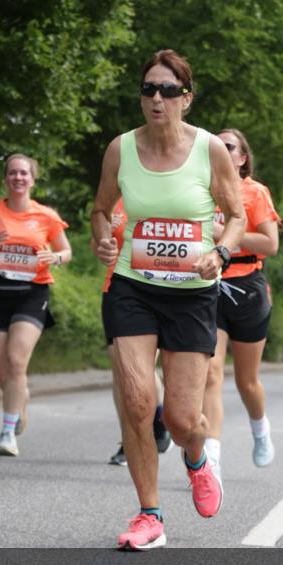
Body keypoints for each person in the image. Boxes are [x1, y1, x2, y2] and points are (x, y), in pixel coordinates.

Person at [91, 49, 246, 550]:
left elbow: (236, 215)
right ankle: (149, 515)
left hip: (192, 294)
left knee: (181, 420)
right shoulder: (121, 149)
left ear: (186, 98)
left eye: (168, 90)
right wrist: (103, 239)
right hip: (133, 286)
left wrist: (220, 252)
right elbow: (100, 209)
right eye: (148, 89)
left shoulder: (209, 150)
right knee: (139, 401)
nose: (156, 99)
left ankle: (198, 459)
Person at [0, 154, 71, 457]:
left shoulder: (46, 216)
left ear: (32, 179)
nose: (18, 178)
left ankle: (7, 433)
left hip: (32, 292)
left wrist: (55, 258)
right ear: (6, 178)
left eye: (23, 173)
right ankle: (20, 397)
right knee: (2, 373)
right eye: (12, 173)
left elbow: (66, 251)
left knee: (16, 361)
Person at [203, 129, 280, 479]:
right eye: (215, 146)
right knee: (210, 373)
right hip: (210, 284)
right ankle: (212, 460)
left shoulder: (255, 192)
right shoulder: (202, 191)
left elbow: (270, 244)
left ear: (242, 157)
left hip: (248, 286)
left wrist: (225, 237)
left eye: (228, 146)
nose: (220, 150)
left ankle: (260, 429)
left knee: (247, 381)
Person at [101, 198, 171, 465]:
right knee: (121, 370)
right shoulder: (114, 202)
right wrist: (102, 245)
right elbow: (99, 242)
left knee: (140, 369)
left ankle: (159, 418)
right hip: (117, 291)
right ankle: (128, 439)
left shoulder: (162, 194)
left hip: (156, 290)